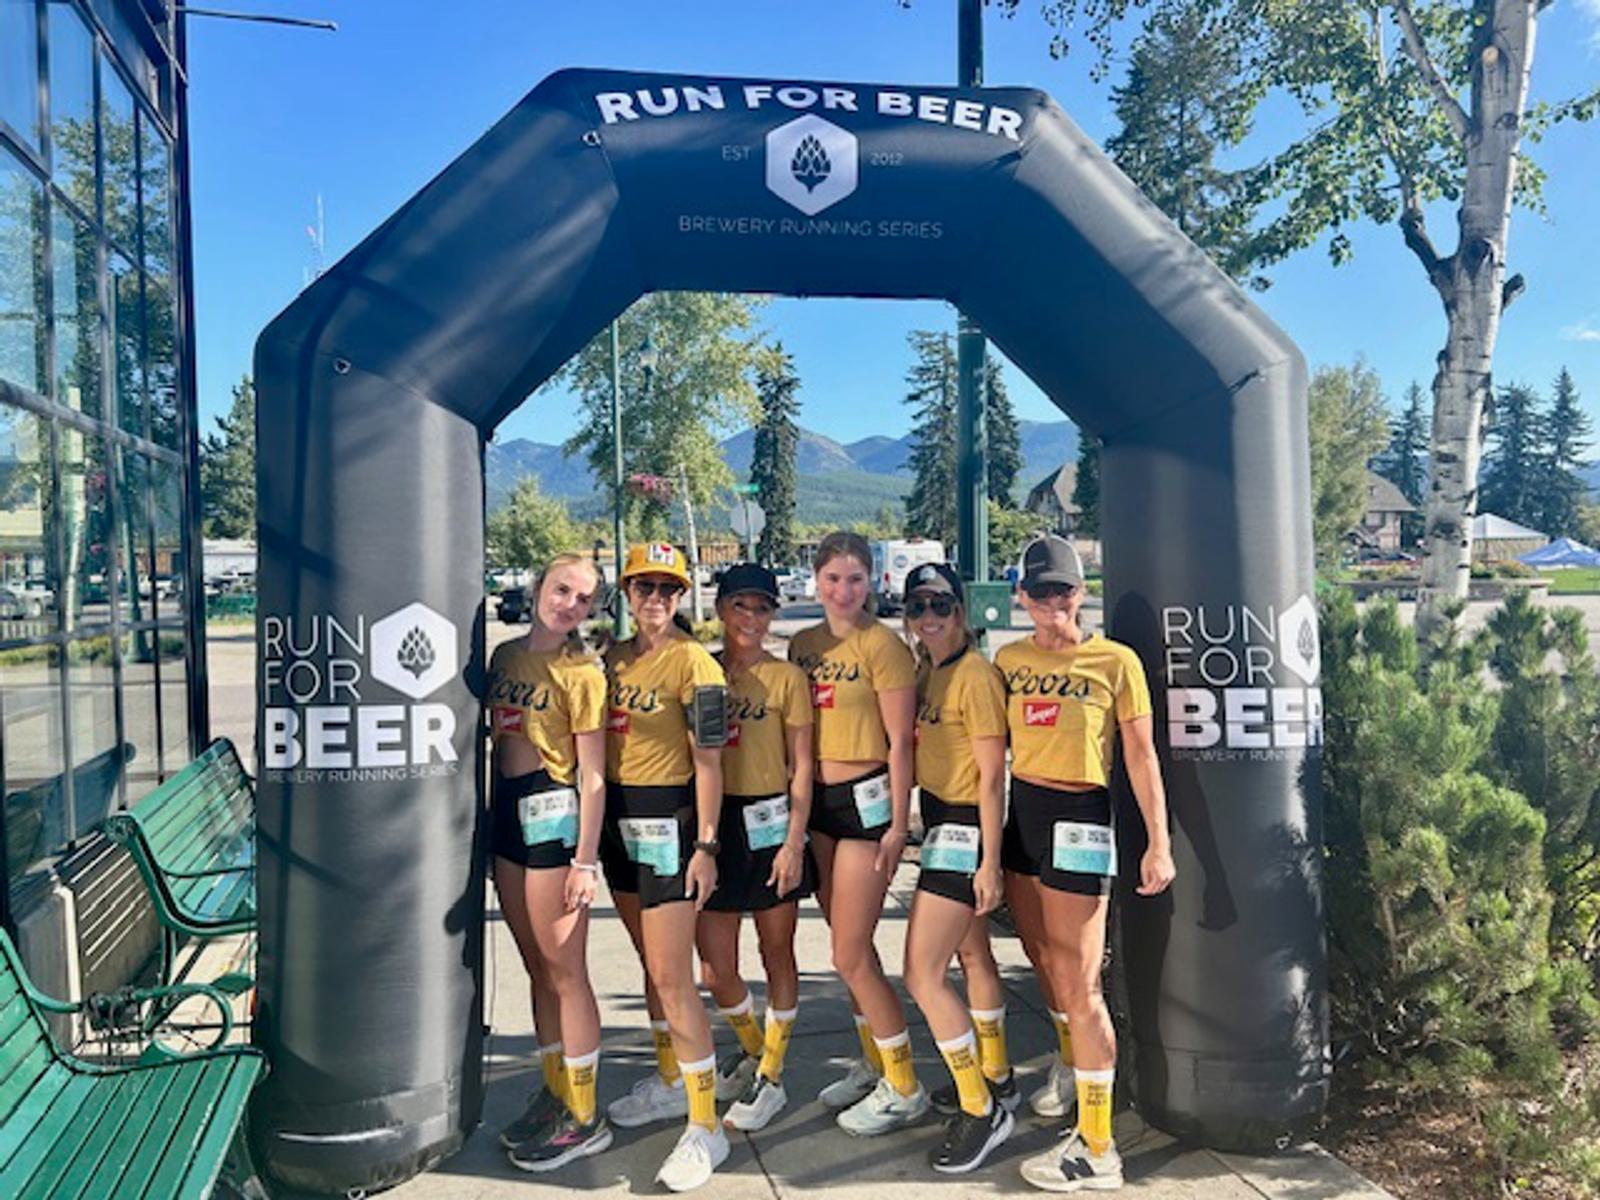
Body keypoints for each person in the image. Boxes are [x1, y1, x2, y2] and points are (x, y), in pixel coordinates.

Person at [998, 536, 1176, 1193]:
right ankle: (1072, 1064)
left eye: (1063, 590)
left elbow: (1141, 757)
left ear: (1082, 592)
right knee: (1042, 958)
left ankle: (1098, 1149)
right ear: (1021, 595)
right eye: (1039, 591)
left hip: (1079, 816)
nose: (1052, 603)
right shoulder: (1007, 659)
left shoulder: (1114, 661)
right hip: (1024, 814)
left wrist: (1158, 841)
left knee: (1081, 981)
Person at [599, 543, 731, 1193]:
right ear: (626, 592)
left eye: (668, 589)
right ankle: (673, 1081)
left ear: (683, 597)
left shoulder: (698, 664)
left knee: (673, 976)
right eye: (644, 587)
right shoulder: (614, 658)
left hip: (671, 825)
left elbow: (711, 764)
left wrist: (706, 847)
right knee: (650, 970)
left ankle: (708, 1125)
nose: (655, 599)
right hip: (618, 827)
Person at [787, 530, 927, 1135]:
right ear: (816, 579)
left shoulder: (884, 647)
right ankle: (872, 1064)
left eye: (855, 579)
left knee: (848, 951)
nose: (844, 590)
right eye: (833, 578)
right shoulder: (802, 644)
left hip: (866, 803)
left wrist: (900, 821)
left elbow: (902, 745)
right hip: (814, 802)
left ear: (872, 582)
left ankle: (905, 1084)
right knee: (852, 948)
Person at [484, 553, 612, 1171]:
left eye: (584, 599)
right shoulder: (505, 658)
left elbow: (593, 777)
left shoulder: (582, 672)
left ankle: (586, 1116)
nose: (570, 604)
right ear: (538, 586)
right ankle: (557, 1091)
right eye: (562, 589)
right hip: (507, 813)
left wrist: (585, 861)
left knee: (566, 970)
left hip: (555, 819)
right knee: (536, 966)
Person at [897, 562, 1016, 1174]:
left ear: (962, 610)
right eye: (916, 607)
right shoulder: (929, 672)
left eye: (940, 605)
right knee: (972, 959)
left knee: (921, 972)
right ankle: (995, 1075)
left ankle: (982, 1110)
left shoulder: (973, 676)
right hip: (943, 822)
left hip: (966, 828)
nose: (928, 618)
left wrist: (990, 861)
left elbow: (994, 776)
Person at [695, 564, 815, 1132]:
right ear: (720, 609)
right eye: (739, 606)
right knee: (716, 968)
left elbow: (803, 766)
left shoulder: (787, 678)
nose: (750, 618)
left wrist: (794, 840)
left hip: (771, 821)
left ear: (774, 614)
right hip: (715, 824)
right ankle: (751, 1049)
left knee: (776, 950)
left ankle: (771, 1072)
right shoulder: (703, 671)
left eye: (762, 608)